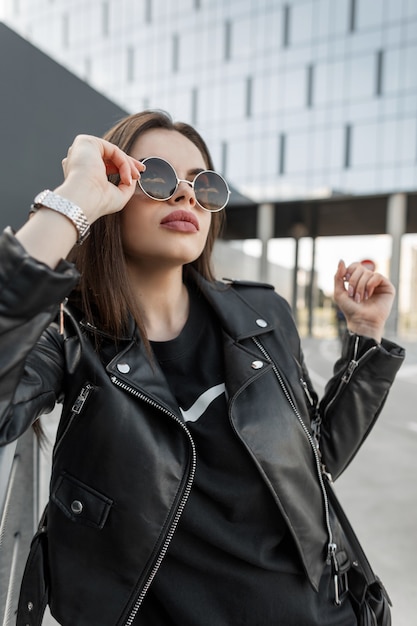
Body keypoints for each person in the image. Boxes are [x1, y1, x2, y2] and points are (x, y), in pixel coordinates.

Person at [0, 110, 404, 626]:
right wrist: (73, 197)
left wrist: (365, 335)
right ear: (114, 186)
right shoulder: (69, 335)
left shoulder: (263, 315)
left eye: (204, 185)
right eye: (159, 176)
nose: (186, 196)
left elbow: (312, 461)